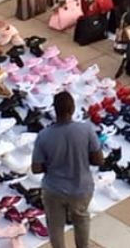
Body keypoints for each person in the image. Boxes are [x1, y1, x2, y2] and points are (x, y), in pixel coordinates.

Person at [31, 91, 103, 248]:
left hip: (54, 189)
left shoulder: (44, 135)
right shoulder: (86, 130)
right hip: (81, 187)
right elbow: (99, 160)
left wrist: (52, 163)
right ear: (73, 108)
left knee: (55, 226)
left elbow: (36, 168)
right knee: (82, 220)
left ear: (55, 110)